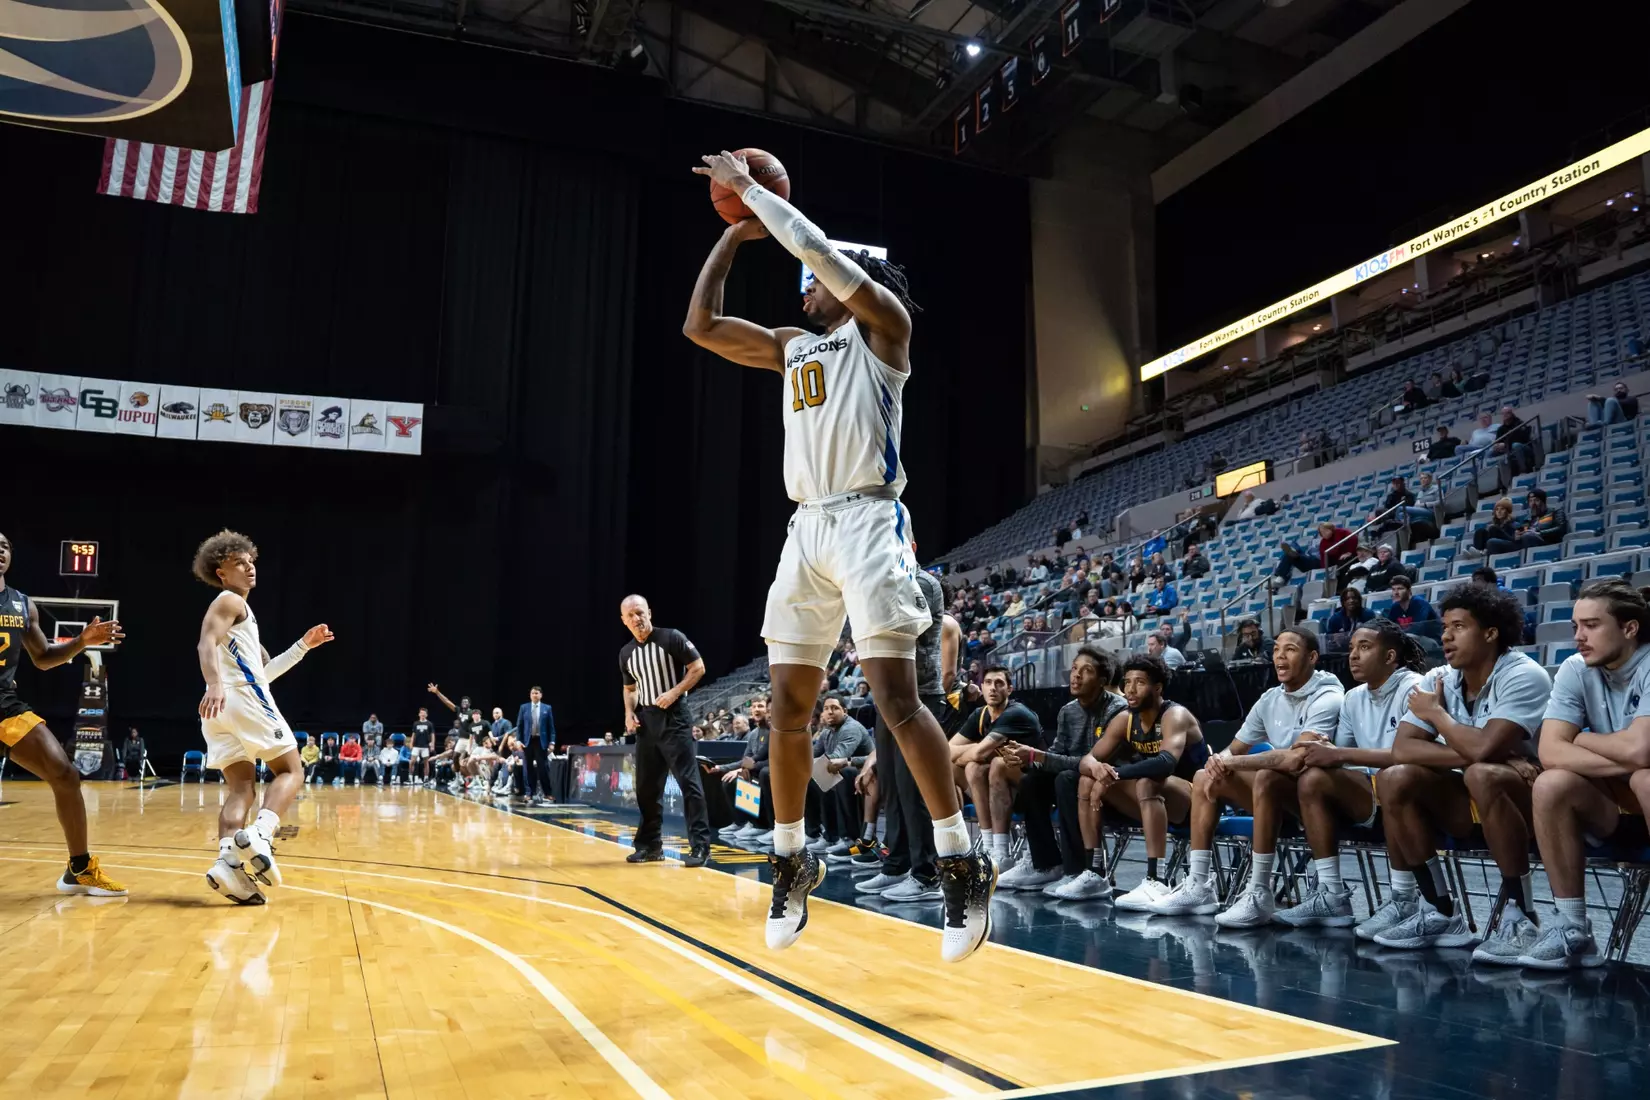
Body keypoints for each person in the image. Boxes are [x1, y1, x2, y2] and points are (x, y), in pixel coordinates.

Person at [686, 149, 994, 960]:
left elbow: (818, 253)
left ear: (852, 281)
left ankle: (961, 860)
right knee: (787, 707)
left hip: (869, 524)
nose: (805, 290)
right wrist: (735, 233)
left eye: (815, 282)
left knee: (896, 697)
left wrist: (755, 193)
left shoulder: (887, 329)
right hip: (808, 531)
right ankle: (791, 861)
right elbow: (701, 327)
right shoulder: (795, 345)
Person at [1360, 583, 1552, 956]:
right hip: (1468, 797)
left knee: (1483, 773)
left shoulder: (1524, 675)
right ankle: (1440, 910)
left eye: (1459, 626)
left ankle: (1523, 917)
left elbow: (1480, 749)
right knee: (1393, 777)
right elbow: (1403, 748)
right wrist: (1484, 752)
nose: (1446, 635)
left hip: (1529, 802)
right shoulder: (1439, 679)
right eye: (1445, 626)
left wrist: (1438, 717)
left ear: (1491, 633)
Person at [1148, 627, 1345, 923]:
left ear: (1313, 657)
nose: (1280, 655)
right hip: (1281, 797)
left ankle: (1259, 892)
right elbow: (1235, 749)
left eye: (1290, 649)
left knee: (1266, 776)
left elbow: (1295, 759)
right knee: (1204, 777)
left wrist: (1233, 763)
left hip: (1320, 799)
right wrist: (1219, 761)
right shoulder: (1270, 698)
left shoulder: (1328, 695)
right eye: (1277, 649)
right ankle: (1199, 886)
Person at [193, 530, 334, 904]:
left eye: (250, 560)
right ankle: (262, 833)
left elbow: (264, 674)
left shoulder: (242, 620)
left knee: (241, 788)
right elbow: (204, 641)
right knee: (291, 770)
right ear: (221, 572)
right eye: (239, 562)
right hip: (233, 698)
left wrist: (304, 646)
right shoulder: (228, 601)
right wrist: (213, 683)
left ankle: (228, 863)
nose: (249, 567)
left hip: (219, 711)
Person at [1527, 580, 1650, 968]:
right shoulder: (1574, 669)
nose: (1579, 637)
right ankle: (1572, 927)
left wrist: (1581, 739)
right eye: (1576, 626)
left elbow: (1640, 750)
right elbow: (1549, 751)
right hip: (1612, 805)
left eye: (1592, 625)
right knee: (1551, 783)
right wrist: (1622, 751)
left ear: (1629, 628)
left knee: (1646, 778)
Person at [1274, 620, 1429, 926]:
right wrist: (1320, 747)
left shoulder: (1415, 688)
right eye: (1351, 648)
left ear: (1389, 657)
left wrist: (1339, 753)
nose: (1353, 656)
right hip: (1373, 790)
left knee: (1392, 778)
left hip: (1418, 792)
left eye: (1365, 647)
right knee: (1314, 777)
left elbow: (1412, 755)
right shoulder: (1353, 697)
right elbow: (1340, 756)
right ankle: (1331, 894)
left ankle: (1405, 898)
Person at [0, 533, 127, 896]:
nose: (0, 550)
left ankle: (80, 868)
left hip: (5, 707)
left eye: (6, 545)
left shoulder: (23, 604)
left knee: (65, 775)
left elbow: (42, 658)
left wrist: (82, 642)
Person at [1070, 654, 1207, 908]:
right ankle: (1095, 872)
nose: (1130, 690)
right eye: (1127, 682)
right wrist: (1099, 771)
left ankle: (1158, 879)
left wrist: (1114, 775)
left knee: (1147, 781)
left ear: (1158, 688)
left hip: (1197, 802)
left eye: (1140, 683)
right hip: (1159, 803)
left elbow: (1166, 762)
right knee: (1086, 782)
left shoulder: (1175, 715)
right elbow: (1087, 759)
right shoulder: (1125, 719)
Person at [856, 569, 957, 903]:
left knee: (913, 788)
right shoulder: (881, 582)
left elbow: (903, 635)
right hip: (888, 697)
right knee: (893, 787)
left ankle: (927, 874)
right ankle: (896, 865)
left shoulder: (922, 583)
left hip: (917, 695)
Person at [996, 646, 1128, 898]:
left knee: (1068, 780)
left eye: (1086, 671)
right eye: (1075, 668)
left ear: (1102, 681)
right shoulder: (1068, 711)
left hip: (1110, 783)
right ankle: (1046, 864)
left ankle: (1077, 871)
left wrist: (1038, 756)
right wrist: (1027, 761)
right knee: (1032, 781)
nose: (1076, 675)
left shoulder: (1117, 710)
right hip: (1075, 780)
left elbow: (1091, 762)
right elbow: (1056, 756)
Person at [618, 594, 711, 867]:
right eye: (631, 616)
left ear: (649, 612)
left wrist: (674, 692)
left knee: (689, 784)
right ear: (624, 621)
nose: (637, 619)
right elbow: (630, 689)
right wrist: (628, 713)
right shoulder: (626, 653)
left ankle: (700, 847)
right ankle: (650, 846)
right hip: (646, 722)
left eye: (640, 612)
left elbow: (698, 668)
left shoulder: (672, 637)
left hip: (675, 717)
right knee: (646, 788)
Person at [949, 666, 1044, 876]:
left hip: (1034, 790)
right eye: (989, 683)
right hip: (997, 791)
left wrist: (977, 752)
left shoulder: (1016, 713)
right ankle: (988, 848)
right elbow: (949, 750)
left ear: (1010, 689)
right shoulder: (980, 714)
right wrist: (976, 752)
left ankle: (1002, 852)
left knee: (997, 764)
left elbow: (980, 752)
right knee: (968, 767)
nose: (993, 688)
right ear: (981, 687)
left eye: (999, 683)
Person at [1272, 522, 1356, 587]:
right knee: (1290, 552)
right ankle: (1293, 553)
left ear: (1331, 528)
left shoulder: (1340, 532)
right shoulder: (1323, 542)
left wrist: (1349, 552)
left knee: (1292, 553)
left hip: (1320, 563)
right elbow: (1323, 557)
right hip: (1317, 561)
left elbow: (1353, 538)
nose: (1324, 533)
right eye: (1322, 532)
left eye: (1326, 530)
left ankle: (1282, 574)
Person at [1485, 489, 1567, 554]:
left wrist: (1540, 533)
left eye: (1536, 500)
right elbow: (1523, 530)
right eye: (1530, 501)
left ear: (1543, 502)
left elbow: (1561, 528)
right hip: (1523, 543)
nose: (1533, 504)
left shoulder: (1555, 512)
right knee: (1492, 542)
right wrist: (1517, 535)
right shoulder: (1528, 518)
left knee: (1528, 536)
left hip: (1545, 543)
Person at [516, 686, 557, 805]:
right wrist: (518, 740)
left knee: (543, 768)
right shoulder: (523, 707)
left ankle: (547, 793)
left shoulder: (547, 708)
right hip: (527, 741)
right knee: (528, 768)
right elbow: (519, 726)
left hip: (541, 741)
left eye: (537, 693)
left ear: (541, 695)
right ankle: (529, 793)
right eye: (532, 693)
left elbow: (551, 727)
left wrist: (552, 742)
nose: (534, 695)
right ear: (530, 695)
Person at [1492, 406, 1535, 475]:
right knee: (1491, 452)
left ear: (1511, 414)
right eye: (1503, 414)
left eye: (1507, 413)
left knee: (1516, 445)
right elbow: (1498, 441)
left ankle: (1523, 470)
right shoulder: (1501, 429)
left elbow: (1521, 439)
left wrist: (1505, 444)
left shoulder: (1519, 423)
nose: (1505, 415)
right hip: (1507, 449)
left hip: (1524, 447)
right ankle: (1496, 477)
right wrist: (1496, 446)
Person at [410, 707, 436, 786]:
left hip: (425, 746)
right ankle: (410, 777)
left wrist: (432, 744)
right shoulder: (416, 723)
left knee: (426, 762)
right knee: (412, 761)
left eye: (424, 713)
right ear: (419, 714)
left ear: (426, 715)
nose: (423, 715)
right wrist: (411, 743)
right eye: (421, 713)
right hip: (416, 746)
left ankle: (426, 778)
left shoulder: (429, 724)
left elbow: (432, 735)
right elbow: (413, 735)